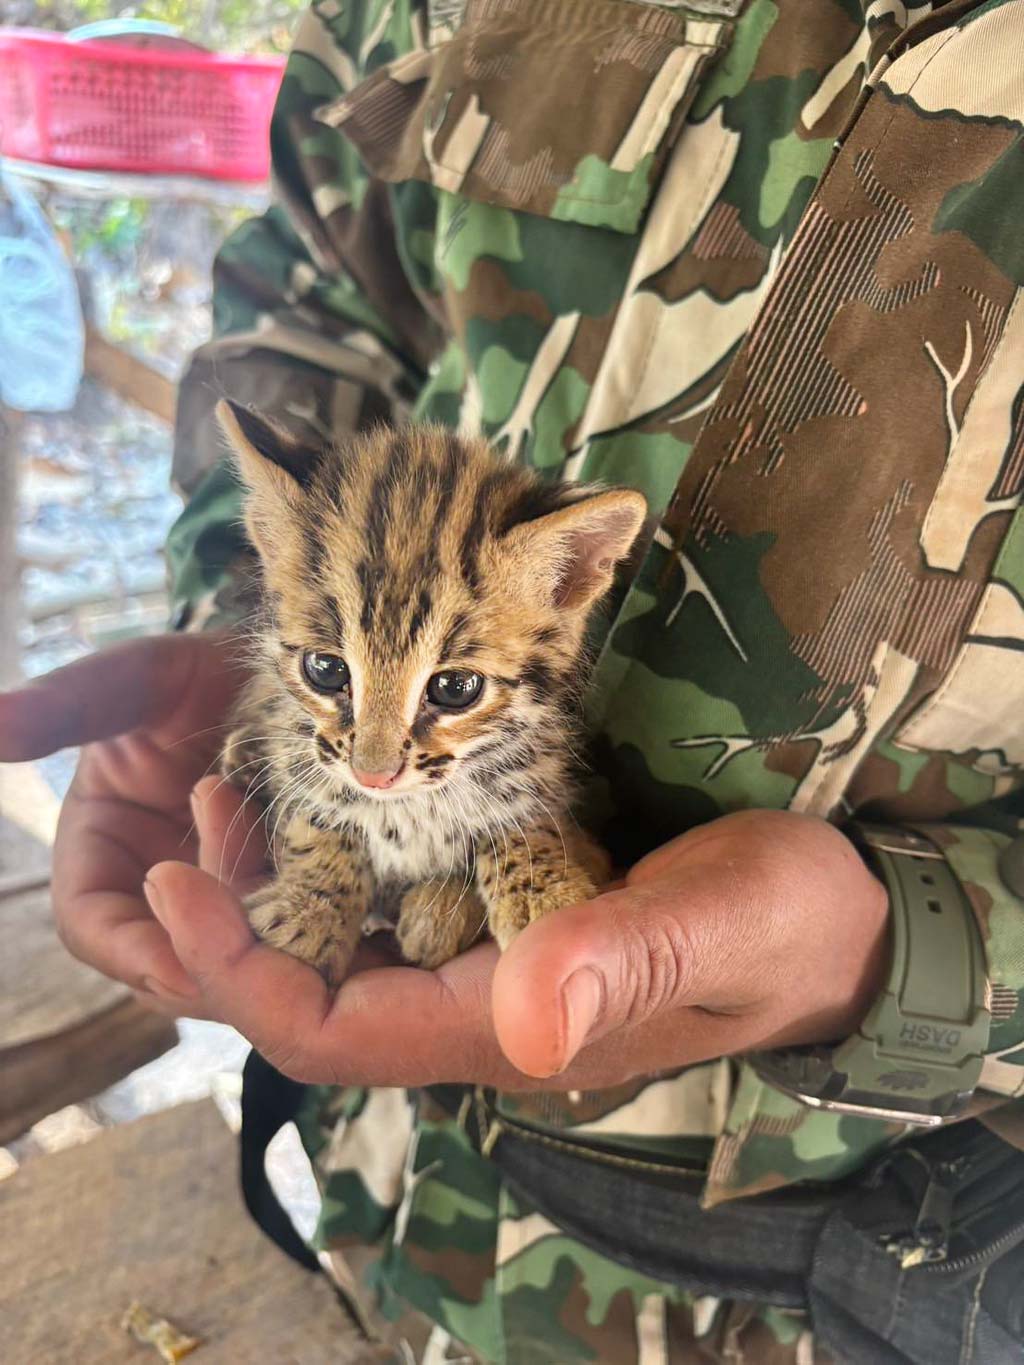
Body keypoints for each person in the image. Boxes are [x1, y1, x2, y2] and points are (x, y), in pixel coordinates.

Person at [4, 1, 1024, 1359]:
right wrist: (240, 618)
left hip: (847, 1260)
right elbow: (312, 293)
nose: (378, 754)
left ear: (573, 574)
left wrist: (905, 956)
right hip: (383, 1200)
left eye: (444, 695)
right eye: (340, 683)